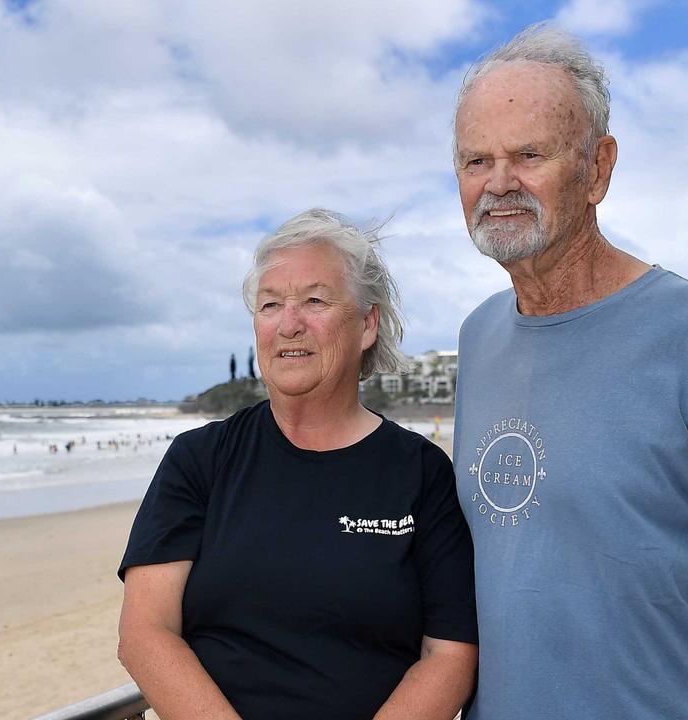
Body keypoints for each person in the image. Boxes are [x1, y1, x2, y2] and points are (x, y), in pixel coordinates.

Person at [450, 23, 688, 719]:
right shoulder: (478, 338)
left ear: (597, 169)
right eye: (476, 161)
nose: (499, 184)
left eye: (529, 155)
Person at [118, 208, 478, 719]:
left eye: (314, 300)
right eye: (270, 305)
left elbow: (449, 654)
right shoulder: (200, 460)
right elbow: (144, 633)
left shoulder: (421, 472)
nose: (289, 324)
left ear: (368, 324)